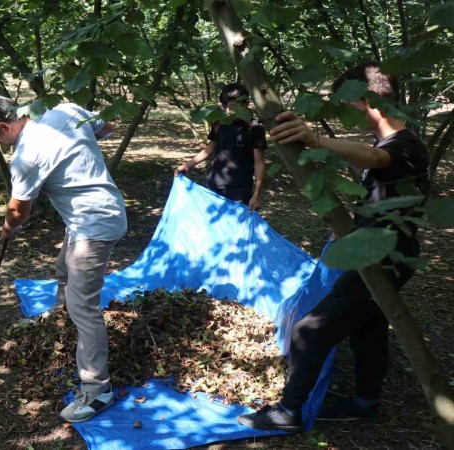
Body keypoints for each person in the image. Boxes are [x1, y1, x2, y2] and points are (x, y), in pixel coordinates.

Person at [236, 62, 430, 432]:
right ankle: (366, 401)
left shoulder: (404, 145)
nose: (342, 111)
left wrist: (317, 140)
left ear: (368, 99)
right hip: (376, 251)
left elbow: (375, 159)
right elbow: (381, 193)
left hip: (383, 259)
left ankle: (288, 412)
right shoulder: (390, 143)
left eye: (346, 102)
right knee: (368, 327)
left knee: (308, 331)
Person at [0, 95, 128, 423]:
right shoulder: (65, 110)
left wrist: (7, 226)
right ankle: (60, 320)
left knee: (84, 306)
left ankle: (97, 389)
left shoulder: (26, 157)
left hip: (95, 224)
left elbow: (19, 211)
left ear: (4, 126)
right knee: (63, 267)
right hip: (88, 217)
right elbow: (107, 127)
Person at [175, 83, 267, 211]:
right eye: (225, 107)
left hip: (240, 189)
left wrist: (256, 195)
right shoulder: (219, 123)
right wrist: (188, 165)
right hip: (214, 184)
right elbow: (210, 148)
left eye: (233, 107)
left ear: (246, 104)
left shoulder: (254, 128)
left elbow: (259, 163)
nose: (228, 111)